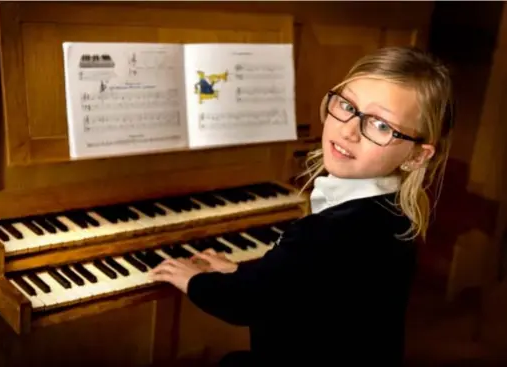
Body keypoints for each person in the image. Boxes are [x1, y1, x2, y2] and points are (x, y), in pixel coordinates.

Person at [150, 46, 454, 366]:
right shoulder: (391, 214)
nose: (348, 130)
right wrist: (239, 270)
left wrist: (193, 280)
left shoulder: (330, 231)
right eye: (348, 105)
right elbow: (299, 278)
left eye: (380, 125)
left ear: (417, 156)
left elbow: (244, 303)